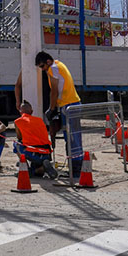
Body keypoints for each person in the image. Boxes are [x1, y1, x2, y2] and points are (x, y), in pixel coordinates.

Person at [35, 51, 83, 180]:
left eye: (42, 66)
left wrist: (51, 109)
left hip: (68, 105)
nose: (42, 69)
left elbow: (54, 91)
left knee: (72, 138)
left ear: (48, 62)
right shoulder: (59, 64)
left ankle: (76, 170)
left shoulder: (53, 69)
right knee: (75, 137)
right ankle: (76, 168)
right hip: (73, 103)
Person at [12, 100, 59, 179]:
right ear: (32, 111)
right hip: (46, 153)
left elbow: (19, 138)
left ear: (20, 112)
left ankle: (25, 169)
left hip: (32, 153)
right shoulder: (40, 121)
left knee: (16, 144)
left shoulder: (18, 121)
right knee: (37, 173)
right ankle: (41, 168)